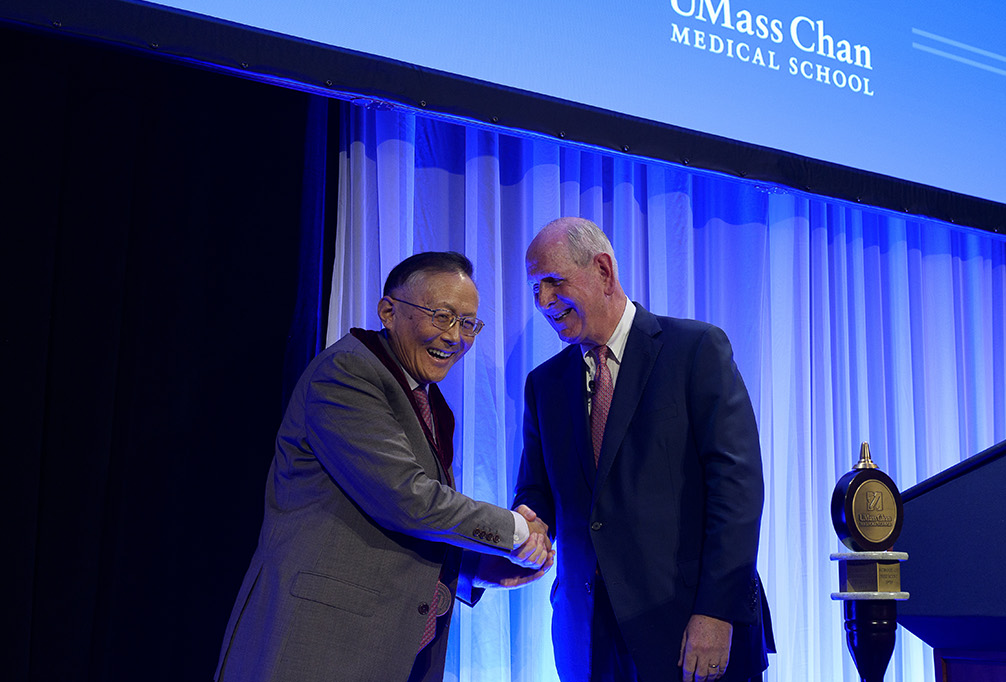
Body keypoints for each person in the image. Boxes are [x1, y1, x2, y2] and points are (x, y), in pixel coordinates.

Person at [216, 252, 552, 682]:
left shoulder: (427, 399)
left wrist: (473, 568)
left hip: (384, 650)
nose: (456, 337)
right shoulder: (347, 373)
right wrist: (516, 531)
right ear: (388, 311)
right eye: (443, 316)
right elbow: (405, 498)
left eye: (468, 323)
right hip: (318, 644)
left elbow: (396, 528)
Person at [515, 218, 774, 682]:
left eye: (554, 282)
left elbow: (737, 489)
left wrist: (717, 611)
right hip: (588, 638)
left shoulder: (695, 350)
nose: (545, 301)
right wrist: (528, 520)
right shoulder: (544, 385)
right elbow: (538, 491)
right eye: (536, 289)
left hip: (690, 631)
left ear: (604, 270)